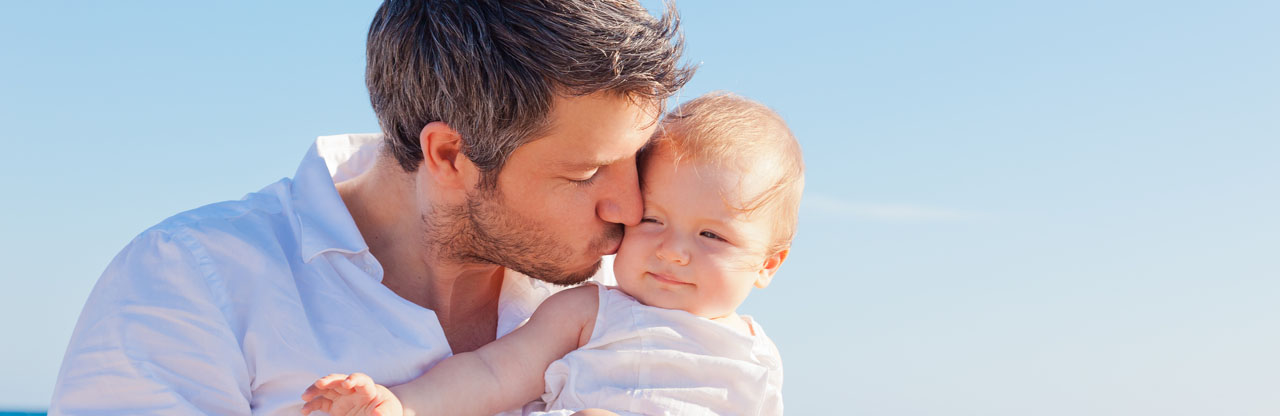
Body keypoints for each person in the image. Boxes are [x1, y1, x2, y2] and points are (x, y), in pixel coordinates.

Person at [50, 1, 693, 415]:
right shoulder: (190, 280)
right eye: (585, 173)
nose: (632, 208)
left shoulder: (628, 291)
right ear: (447, 156)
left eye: (633, 161)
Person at [301, 92, 803, 416]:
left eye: (711, 237)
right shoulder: (591, 310)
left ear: (767, 264)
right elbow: (492, 374)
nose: (673, 251)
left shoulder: (757, 358)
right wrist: (401, 405)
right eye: (653, 219)